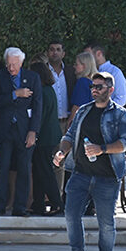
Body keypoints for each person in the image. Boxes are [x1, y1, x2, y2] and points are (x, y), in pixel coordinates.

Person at [53, 72, 126, 251]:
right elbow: (69, 136)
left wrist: (102, 149)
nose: (94, 90)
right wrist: (62, 152)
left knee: (106, 222)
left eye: (99, 86)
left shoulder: (120, 114)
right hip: (80, 173)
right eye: (93, 86)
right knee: (71, 215)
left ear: (110, 90)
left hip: (106, 177)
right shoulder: (84, 111)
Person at [0, 47, 42, 216]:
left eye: (14, 64)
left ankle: (20, 207)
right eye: (9, 64)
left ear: (21, 62)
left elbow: (37, 106)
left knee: (24, 169)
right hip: (5, 130)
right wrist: (15, 94)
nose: (11, 68)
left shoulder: (32, 78)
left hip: (24, 130)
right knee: (2, 168)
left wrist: (33, 131)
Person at [29, 62, 64, 216]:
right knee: (39, 170)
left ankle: (57, 203)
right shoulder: (49, 90)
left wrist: (32, 132)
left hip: (44, 137)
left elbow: (39, 116)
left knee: (44, 170)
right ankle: (38, 203)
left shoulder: (42, 92)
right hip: (50, 135)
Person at [46, 40, 76, 197]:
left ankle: (60, 197)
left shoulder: (70, 72)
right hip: (49, 122)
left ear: (63, 53)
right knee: (50, 160)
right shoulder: (44, 72)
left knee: (63, 160)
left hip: (66, 121)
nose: (54, 52)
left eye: (58, 49)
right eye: (51, 49)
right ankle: (50, 197)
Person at [67, 51, 98, 127]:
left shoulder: (82, 82)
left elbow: (77, 107)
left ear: (84, 66)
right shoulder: (96, 83)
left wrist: (69, 124)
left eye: (76, 64)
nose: (74, 66)